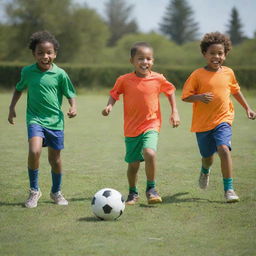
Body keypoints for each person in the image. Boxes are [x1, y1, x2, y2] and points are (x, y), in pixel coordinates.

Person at [102, 42, 180, 205]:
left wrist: (174, 111)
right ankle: (133, 193)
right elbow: (115, 94)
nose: (145, 62)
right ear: (132, 61)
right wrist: (109, 105)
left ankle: (151, 189)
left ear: (153, 61)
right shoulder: (124, 80)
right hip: (131, 128)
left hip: (152, 124)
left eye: (148, 59)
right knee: (133, 165)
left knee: (150, 153)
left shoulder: (158, 78)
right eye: (140, 58)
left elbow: (170, 90)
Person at [181, 32, 256, 203]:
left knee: (223, 149)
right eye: (212, 53)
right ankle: (205, 170)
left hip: (224, 119)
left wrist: (248, 108)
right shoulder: (197, 74)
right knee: (208, 157)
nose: (216, 56)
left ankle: (229, 189)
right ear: (204, 54)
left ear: (225, 54)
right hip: (202, 125)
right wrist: (198, 97)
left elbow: (235, 91)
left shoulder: (229, 73)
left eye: (220, 53)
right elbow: (185, 96)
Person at [8, 31, 77, 208]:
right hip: (35, 119)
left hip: (55, 121)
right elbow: (18, 89)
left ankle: (56, 192)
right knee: (34, 150)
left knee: (55, 159)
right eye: (40, 53)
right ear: (34, 54)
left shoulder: (60, 74)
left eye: (49, 53)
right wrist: (11, 108)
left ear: (55, 54)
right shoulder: (27, 72)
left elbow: (70, 93)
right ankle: (34, 190)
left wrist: (73, 106)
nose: (45, 56)